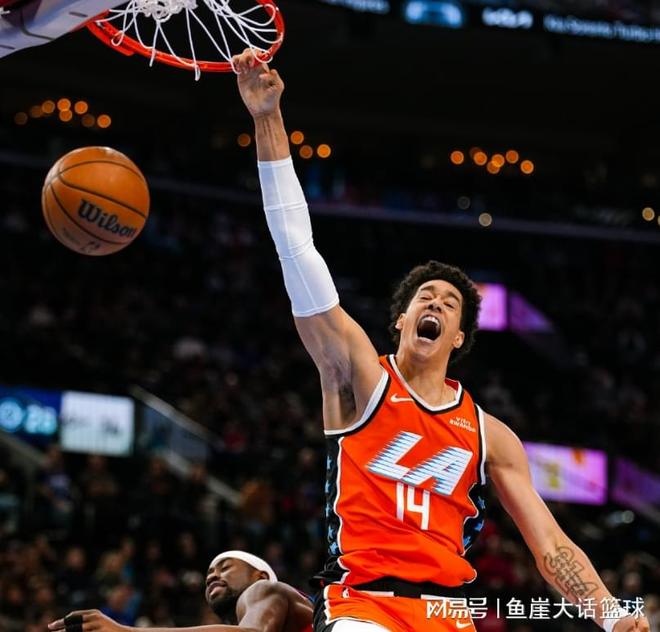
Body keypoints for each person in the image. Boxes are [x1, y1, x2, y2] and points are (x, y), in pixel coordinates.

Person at [231, 48, 651, 632]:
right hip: (363, 606)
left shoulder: (490, 435)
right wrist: (267, 117)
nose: (434, 303)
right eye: (423, 297)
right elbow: (296, 248)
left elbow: (552, 546)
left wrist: (611, 615)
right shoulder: (358, 374)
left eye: (449, 304)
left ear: (458, 338)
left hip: (447, 616)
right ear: (400, 320)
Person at [48, 550, 313, 632]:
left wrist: (124, 631)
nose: (213, 576)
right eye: (208, 575)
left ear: (260, 575)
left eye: (225, 567)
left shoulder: (264, 588)